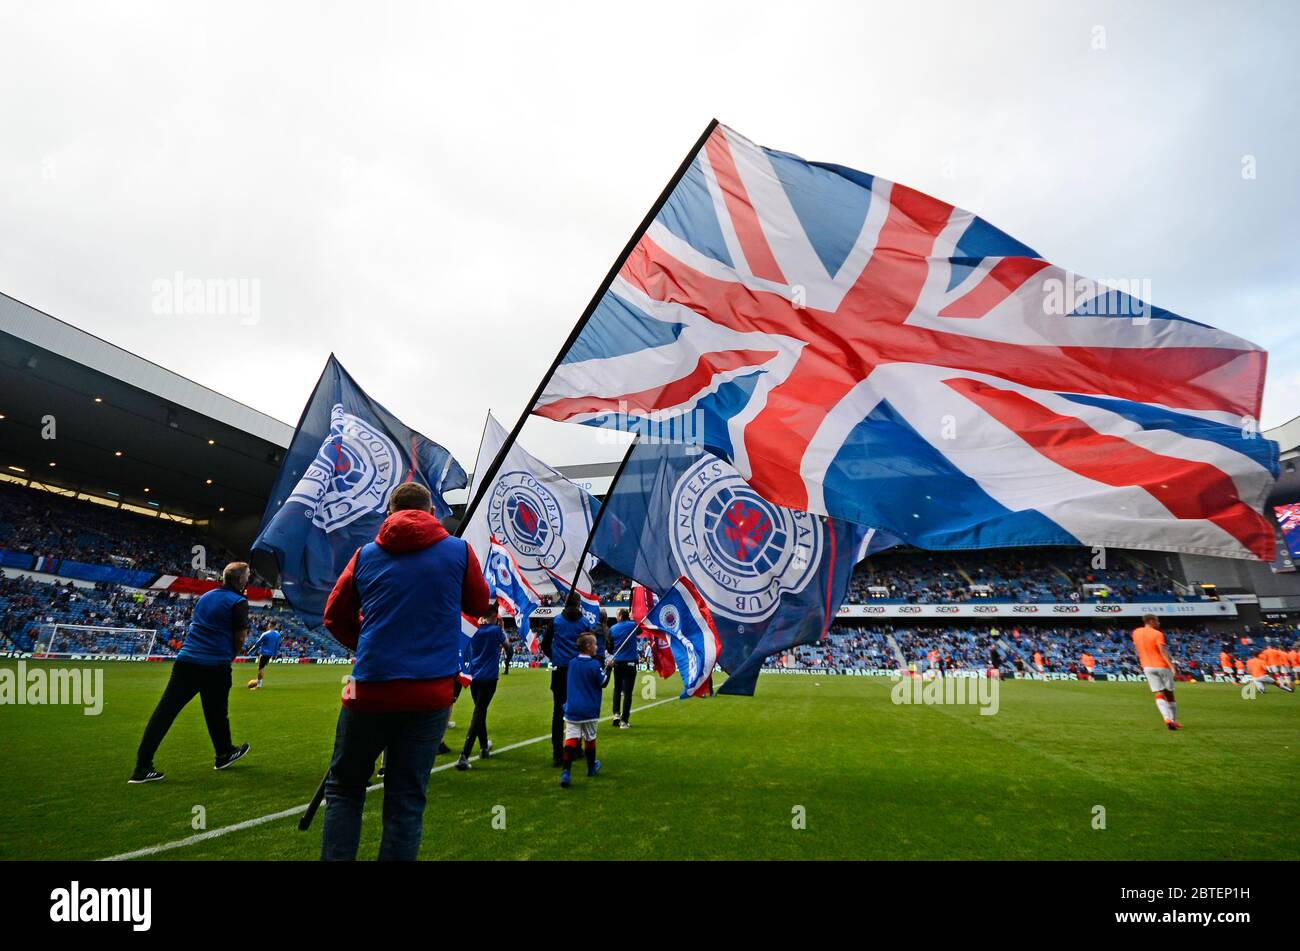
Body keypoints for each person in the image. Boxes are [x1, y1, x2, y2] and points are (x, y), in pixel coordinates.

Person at [320, 482, 489, 861]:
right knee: (406, 801)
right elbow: (478, 602)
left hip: (371, 688)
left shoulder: (365, 555)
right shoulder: (459, 550)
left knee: (345, 790)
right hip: (428, 694)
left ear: (389, 511)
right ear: (431, 512)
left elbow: (333, 615)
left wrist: (363, 643)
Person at [130, 562, 253, 783]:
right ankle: (223, 753)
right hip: (215, 665)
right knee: (216, 713)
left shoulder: (206, 596)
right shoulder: (239, 601)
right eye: (248, 576)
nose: (249, 580)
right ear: (240, 580)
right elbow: (240, 637)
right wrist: (231, 655)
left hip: (186, 661)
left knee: (165, 712)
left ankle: (142, 767)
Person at [541, 591, 600, 767]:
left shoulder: (556, 621)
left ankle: (557, 754)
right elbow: (589, 644)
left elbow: (545, 644)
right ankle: (577, 749)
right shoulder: (583, 622)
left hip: (559, 670)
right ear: (578, 604)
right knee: (578, 709)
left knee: (558, 713)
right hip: (578, 671)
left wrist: (555, 656)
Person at [457, 602, 505, 771]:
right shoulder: (496, 631)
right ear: (494, 616)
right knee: (479, 712)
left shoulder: (474, 630)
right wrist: (502, 630)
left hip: (474, 677)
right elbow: (509, 648)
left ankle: (484, 747)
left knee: (480, 710)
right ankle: (464, 754)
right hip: (489, 678)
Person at [560, 632, 611, 788]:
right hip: (589, 710)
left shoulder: (572, 663)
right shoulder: (594, 665)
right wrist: (609, 669)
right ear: (588, 647)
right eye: (595, 644)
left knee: (571, 739)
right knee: (590, 738)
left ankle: (566, 772)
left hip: (572, 709)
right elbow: (603, 682)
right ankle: (591, 768)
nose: (597, 646)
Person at [1131, 614, 1181, 731]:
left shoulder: (1136, 632)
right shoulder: (1158, 634)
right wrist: (1172, 666)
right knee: (1169, 695)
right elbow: (1162, 651)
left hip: (1147, 666)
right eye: (1157, 621)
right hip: (1161, 666)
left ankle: (1166, 718)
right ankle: (1172, 721)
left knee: (1158, 693)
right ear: (1151, 621)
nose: (1159, 623)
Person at [608, 608, 639, 728]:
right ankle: (624, 721)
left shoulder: (612, 629)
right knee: (628, 693)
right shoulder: (633, 625)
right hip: (631, 662)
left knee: (617, 689)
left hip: (618, 663)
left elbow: (610, 648)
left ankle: (616, 714)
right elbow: (641, 631)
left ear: (620, 616)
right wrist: (633, 619)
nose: (616, 617)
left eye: (617, 615)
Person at [246, 623, 282, 689]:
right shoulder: (278, 635)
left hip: (264, 653)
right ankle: (259, 681)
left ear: (269, 626)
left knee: (261, 668)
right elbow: (277, 646)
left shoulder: (265, 634)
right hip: (270, 654)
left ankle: (259, 685)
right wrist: (275, 655)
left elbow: (258, 644)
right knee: (262, 668)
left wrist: (250, 651)